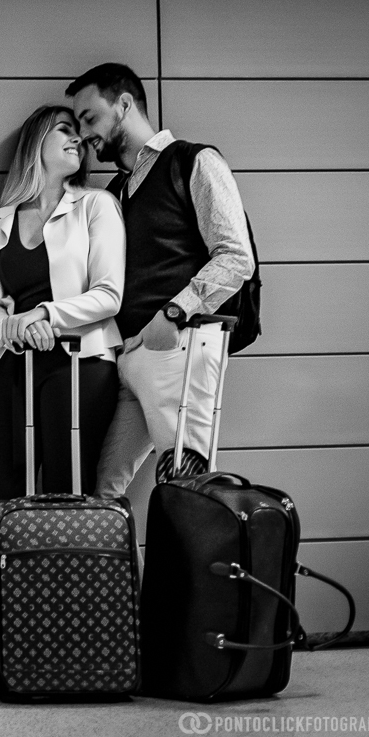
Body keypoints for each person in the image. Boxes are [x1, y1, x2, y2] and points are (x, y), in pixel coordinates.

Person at [65, 63, 255, 499]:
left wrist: (172, 314)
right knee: (104, 487)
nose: (84, 134)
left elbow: (234, 256)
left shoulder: (193, 160)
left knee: (187, 487)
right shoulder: (117, 191)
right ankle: (116, 570)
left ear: (124, 104)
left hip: (179, 347)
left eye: (90, 118)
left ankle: (207, 568)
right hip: (130, 356)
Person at [0, 105, 125, 505]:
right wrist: (17, 328)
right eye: (64, 129)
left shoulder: (96, 206)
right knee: (1, 496)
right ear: (36, 142)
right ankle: (8, 569)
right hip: (17, 364)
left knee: (69, 493)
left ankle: (69, 569)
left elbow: (109, 295)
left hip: (80, 365)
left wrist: (44, 315)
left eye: (79, 132)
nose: (78, 138)